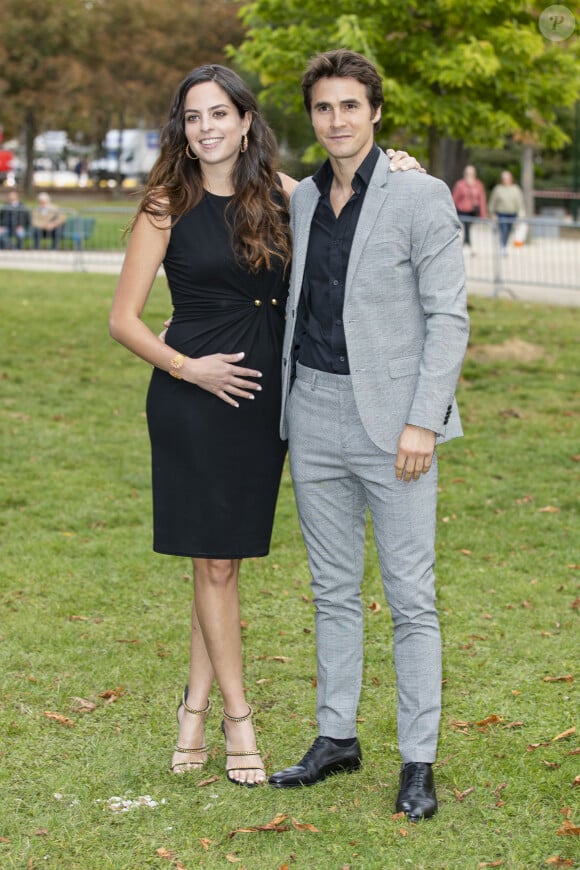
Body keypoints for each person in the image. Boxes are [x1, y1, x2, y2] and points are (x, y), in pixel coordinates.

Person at [109, 63, 420, 788]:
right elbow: (123, 320)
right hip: (194, 399)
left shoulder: (285, 196)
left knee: (218, 559)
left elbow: (358, 194)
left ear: (247, 121)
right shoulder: (165, 204)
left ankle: (191, 704)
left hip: (270, 403)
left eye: (220, 113)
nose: (207, 128)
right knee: (214, 561)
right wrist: (190, 368)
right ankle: (236, 720)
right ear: (182, 131)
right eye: (193, 117)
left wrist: (396, 167)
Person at [268, 50, 470, 824]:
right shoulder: (304, 198)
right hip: (311, 411)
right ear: (312, 118)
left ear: (375, 112)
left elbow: (449, 317)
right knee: (331, 589)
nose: (337, 120)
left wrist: (423, 419)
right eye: (323, 108)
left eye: (351, 106)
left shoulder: (421, 196)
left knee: (412, 598)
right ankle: (336, 736)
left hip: (396, 424)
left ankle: (418, 761)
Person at [488, 170, 525, 254]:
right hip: (502, 214)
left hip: (512, 214)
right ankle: (503, 246)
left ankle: (504, 245)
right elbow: (493, 201)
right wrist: (492, 212)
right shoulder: (498, 189)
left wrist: (521, 212)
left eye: (507, 178)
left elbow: (519, 201)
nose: (506, 180)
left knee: (509, 230)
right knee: (503, 230)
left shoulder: (515, 189)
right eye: (504, 178)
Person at [451, 164, 487, 252]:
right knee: (463, 230)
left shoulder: (478, 185)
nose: (470, 175)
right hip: (462, 212)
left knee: (472, 231)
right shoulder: (460, 185)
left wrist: (483, 214)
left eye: (472, 173)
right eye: (468, 173)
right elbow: (454, 199)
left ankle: (471, 247)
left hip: (474, 212)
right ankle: (463, 248)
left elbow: (482, 200)